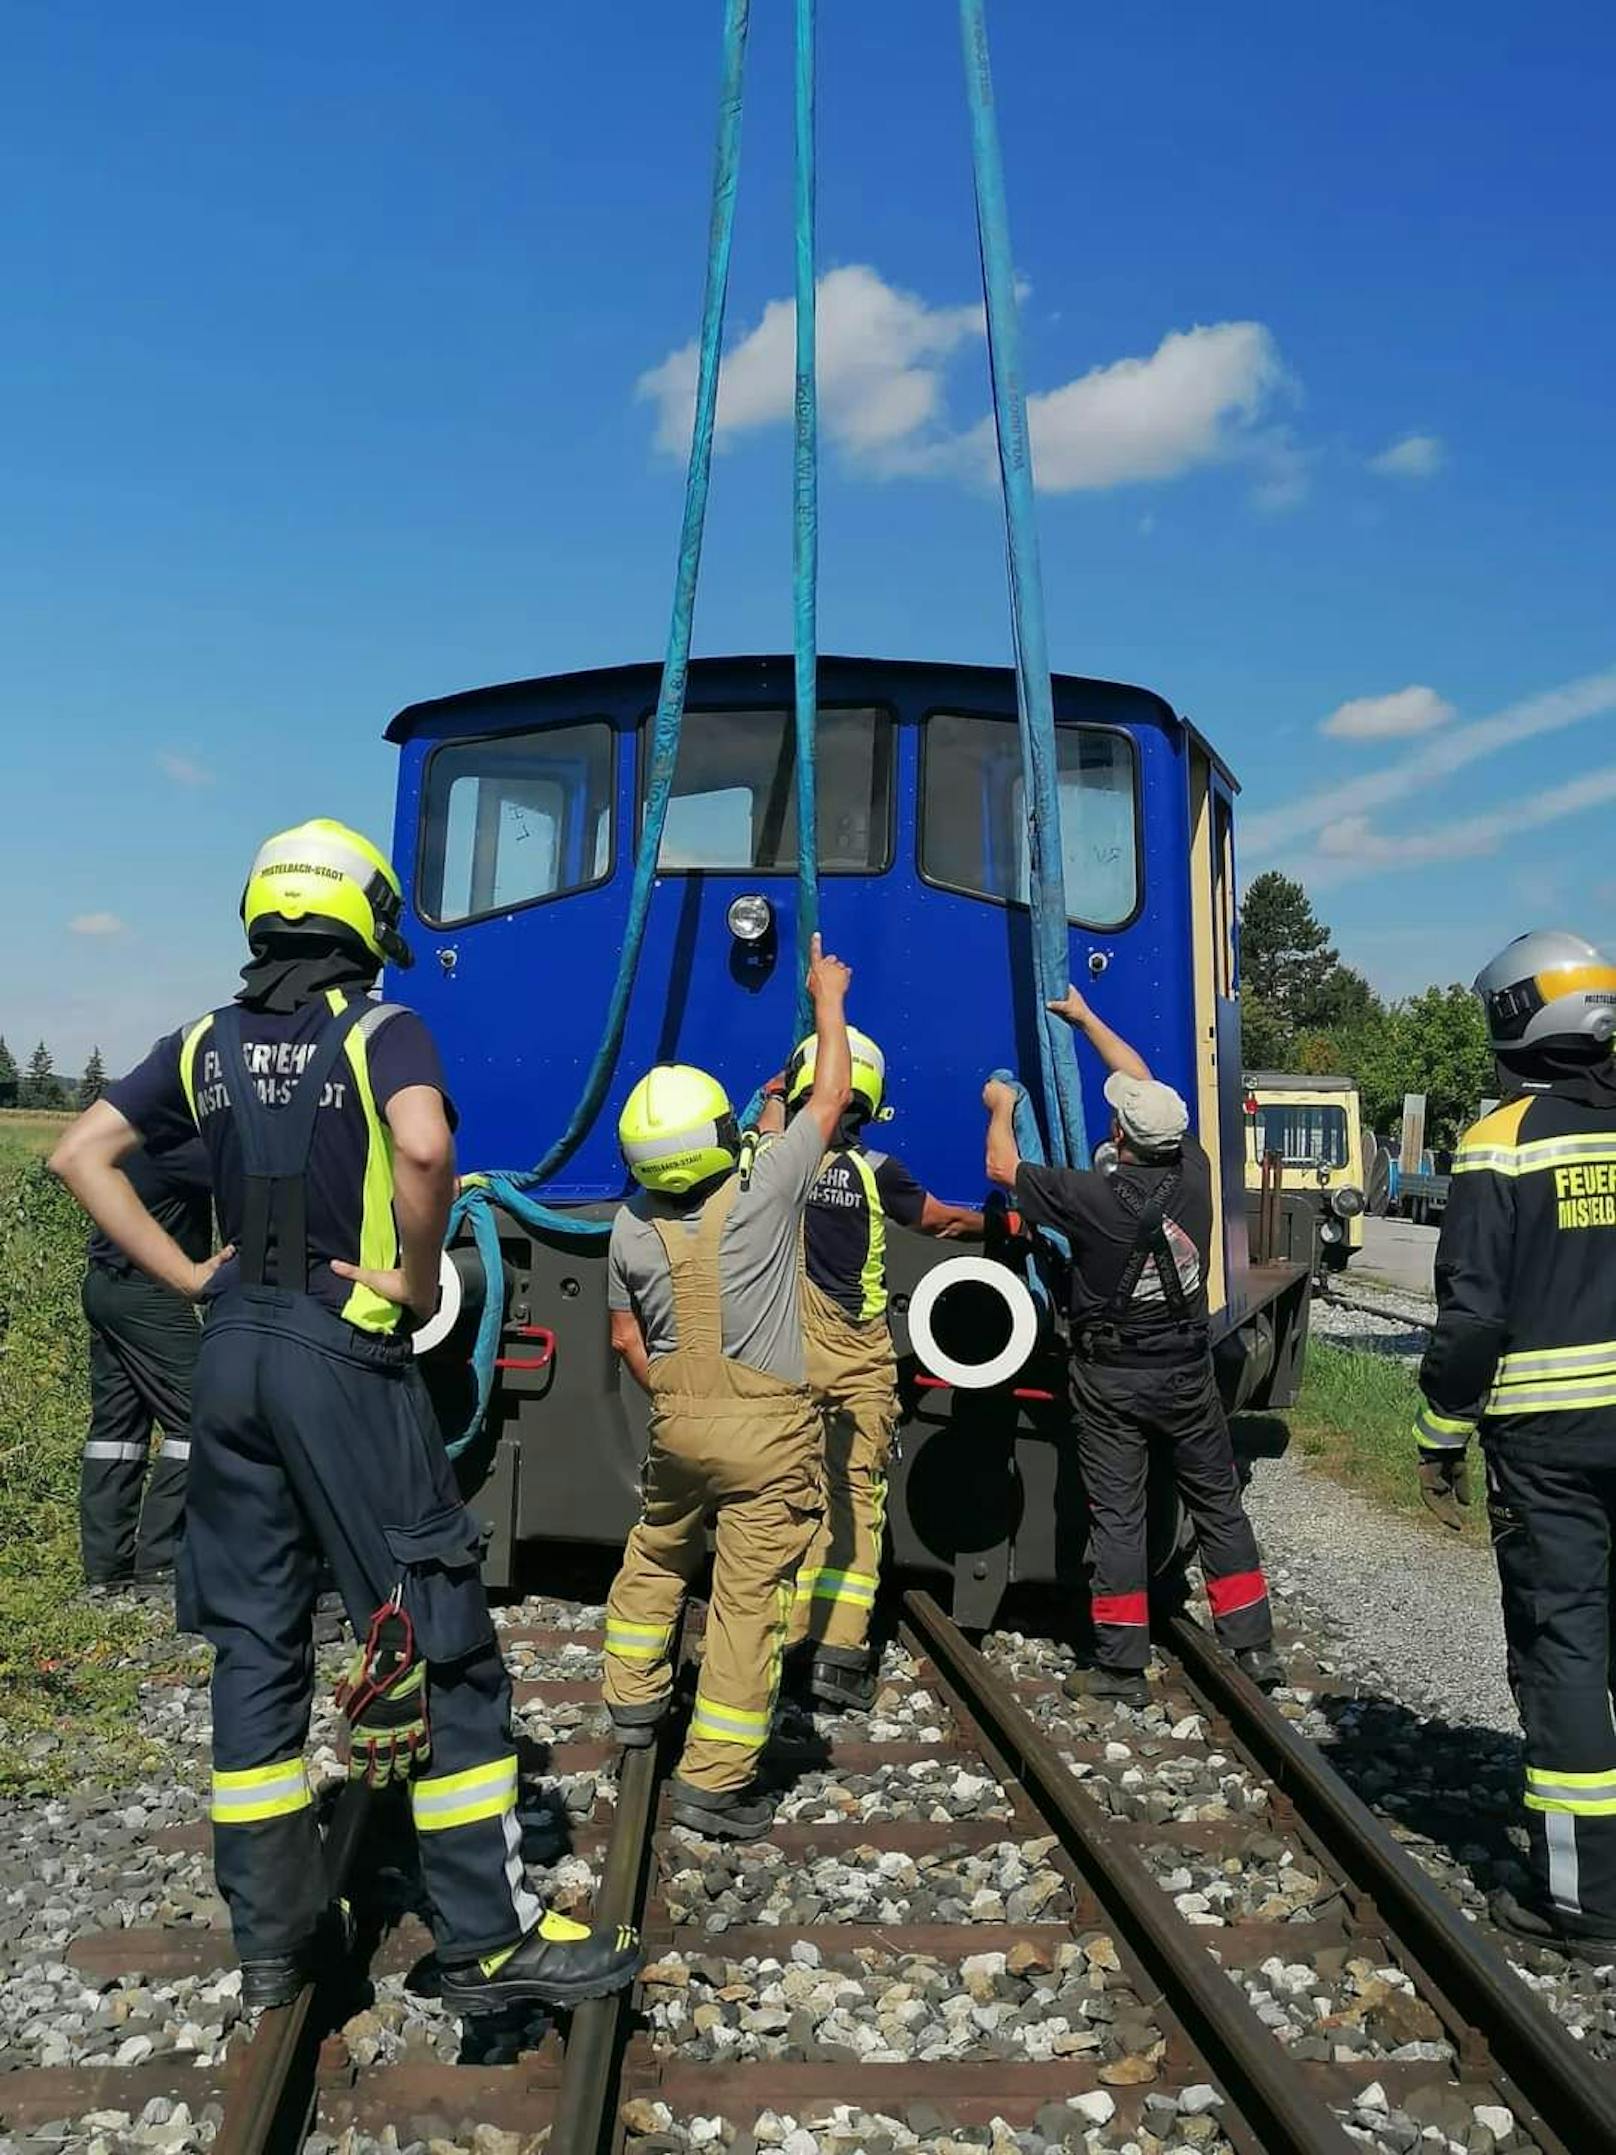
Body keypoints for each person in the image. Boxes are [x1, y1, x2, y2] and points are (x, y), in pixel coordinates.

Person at [50, 817, 640, 2016]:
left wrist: (184, 1276)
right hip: (339, 1358)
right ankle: (484, 1938)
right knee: (441, 1636)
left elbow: (80, 1152)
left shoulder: (204, 1040)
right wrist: (420, 1281)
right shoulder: (384, 1030)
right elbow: (424, 1148)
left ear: (264, 913)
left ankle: (272, 1942)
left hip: (235, 1359)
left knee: (257, 1642)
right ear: (366, 923)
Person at [602, 935, 853, 1839]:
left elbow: (627, 1337)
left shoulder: (628, 1228)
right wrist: (827, 999)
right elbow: (832, 1096)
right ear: (717, 1136)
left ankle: (633, 1701)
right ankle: (713, 1779)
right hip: (770, 1430)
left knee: (657, 1552)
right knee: (748, 1603)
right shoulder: (766, 1191)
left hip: (678, 1422)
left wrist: (673, 1387)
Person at [983, 986, 1282, 1707]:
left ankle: (1121, 1666)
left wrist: (1000, 1107)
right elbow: (1145, 1081)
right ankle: (1255, 1646)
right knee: (1218, 1504)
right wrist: (1088, 1019)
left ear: (1118, 1136)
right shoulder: (1195, 1172)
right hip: (1185, 1372)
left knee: (1118, 1514)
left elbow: (1002, 1169)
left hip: (1111, 1379)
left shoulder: (1086, 1195)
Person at [1414, 930, 1616, 1958]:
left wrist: (1437, 1434)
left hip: (1549, 1447)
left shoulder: (1499, 1142)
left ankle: (1581, 1903)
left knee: (1564, 1647)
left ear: (1512, 1019)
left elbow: (1471, 1322)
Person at [756, 1026, 982, 1711]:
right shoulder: (880, 1170)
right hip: (856, 1362)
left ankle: (777, 1643)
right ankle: (839, 1658)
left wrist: (774, 1094)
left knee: (781, 1499)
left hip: (783, 1353)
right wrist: (1002, 1225)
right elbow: (941, 1222)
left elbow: (768, 1132)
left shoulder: (770, 1160)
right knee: (853, 1502)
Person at [76, 1134, 211, 1594]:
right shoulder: (181, 1146)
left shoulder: (131, 1136)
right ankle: (162, 1559)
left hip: (104, 1284)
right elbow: (246, 1173)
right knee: (204, 1412)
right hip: (149, 1291)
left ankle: (107, 1568)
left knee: (116, 1431)